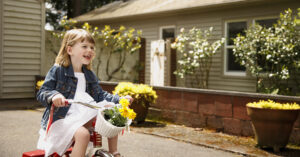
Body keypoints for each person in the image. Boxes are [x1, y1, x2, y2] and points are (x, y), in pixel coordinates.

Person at [37, 29, 131, 157]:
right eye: (85, 46)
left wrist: (120, 99)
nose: (90, 50)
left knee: (111, 114)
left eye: (92, 47)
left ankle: (114, 152)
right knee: (83, 134)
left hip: (83, 113)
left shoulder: (88, 74)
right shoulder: (58, 70)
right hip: (63, 118)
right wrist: (54, 96)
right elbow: (43, 92)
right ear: (70, 50)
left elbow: (100, 95)